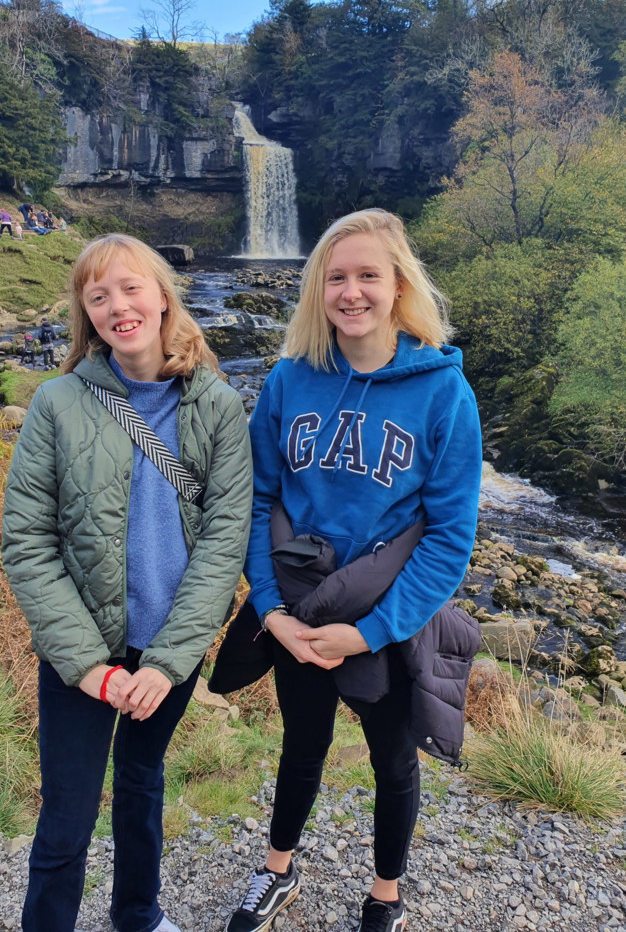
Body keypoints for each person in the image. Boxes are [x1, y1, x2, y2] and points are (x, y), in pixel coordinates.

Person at [225, 209, 482, 932]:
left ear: (398, 285)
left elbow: (449, 537)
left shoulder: (443, 394)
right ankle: (278, 871)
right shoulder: (287, 380)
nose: (351, 291)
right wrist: (270, 610)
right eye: (336, 276)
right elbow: (258, 499)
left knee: (394, 761)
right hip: (299, 610)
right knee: (300, 745)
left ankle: (385, 892)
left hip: (388, 616)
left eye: (368, 274)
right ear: (318, 290)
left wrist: (370, 633)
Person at [2, 233, 252, 932]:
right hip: (82, 651)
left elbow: (225, 541)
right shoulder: (56, 403)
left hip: (168, 649)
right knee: (68, 813)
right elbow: (26, 540)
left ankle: (138, 913)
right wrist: (86, 663)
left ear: (164, 293)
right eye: (99, 294)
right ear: (87, 312)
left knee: (142, 783)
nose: (119, 305)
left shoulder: (218, 406)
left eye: (131, 286)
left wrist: (172, 659)